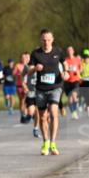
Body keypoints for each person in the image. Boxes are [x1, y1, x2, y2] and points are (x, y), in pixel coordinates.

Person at [29, 28, 65, 156]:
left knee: (54, 112)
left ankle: (53, 142)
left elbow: (63, 67)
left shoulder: (58, 52)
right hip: (41, 89)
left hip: (56, 87)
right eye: (44, 40)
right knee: (43, 116)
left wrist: (65, 74)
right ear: (41, 40)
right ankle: (46, 142)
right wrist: (35, 69)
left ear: (52, 40)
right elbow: (29, 71)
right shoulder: (35, 54)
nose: (46, 42)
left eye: (48, 40)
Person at [62, 46, 83, 119]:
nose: (69, 51)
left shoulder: (77, 59)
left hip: (75, 80)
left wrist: (78, 71)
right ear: (67, 52)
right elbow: (63, 70)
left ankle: (77, 105)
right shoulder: (65, 60)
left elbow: (81, 69)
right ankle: (73, 112)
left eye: (70, 50)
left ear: (73, 51)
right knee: (70, 99)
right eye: (68, 50)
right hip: (67, 81)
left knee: (74, 96)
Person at [14, 53, 30, 122]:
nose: (24, 59)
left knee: (26, 100)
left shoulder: (29, 66)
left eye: (25, 57)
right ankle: (23, 114)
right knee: (22, 100)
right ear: (20, 58)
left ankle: (25, 113)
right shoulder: (18, 65)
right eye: (22, 57)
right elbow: (13, 74)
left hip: (28, 85)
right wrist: (19, 74)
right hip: (20, 85)